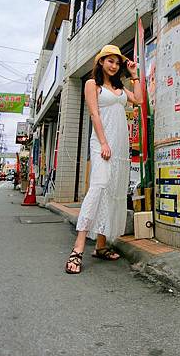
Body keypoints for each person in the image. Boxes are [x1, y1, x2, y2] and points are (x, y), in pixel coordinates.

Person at [65, 45, 142, 274]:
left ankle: (100, 245)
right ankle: (78, 248)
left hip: (120, 146)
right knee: (98, 188)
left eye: (117, 63)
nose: (114, 66)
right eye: (110, 61)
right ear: (100, 62)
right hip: (102, 144)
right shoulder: (93, 85)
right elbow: (95, 114)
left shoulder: (119, 87)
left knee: (112, 192)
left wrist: (134, 74)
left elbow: (138, 99)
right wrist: (104, 143)